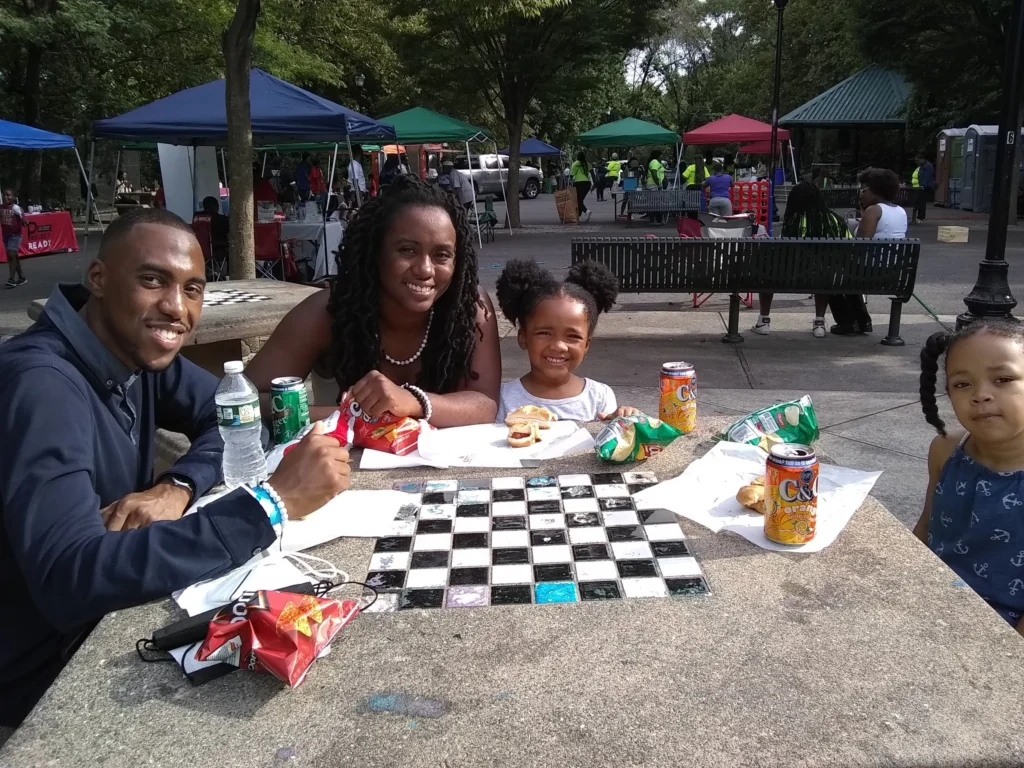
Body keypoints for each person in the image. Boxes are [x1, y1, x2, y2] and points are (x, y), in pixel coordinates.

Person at [0, 207, 352, 727]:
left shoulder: (128, 350)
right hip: (41, 680)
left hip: (104, 628)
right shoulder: (42, 386)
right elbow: (69, 577)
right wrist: (269, 506)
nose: (176, 308)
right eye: (152, 280)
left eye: (193, 289)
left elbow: (238, 416)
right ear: (97, 279)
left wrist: (178, 485)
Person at [244, 175, 501, 426]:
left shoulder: (470, 309)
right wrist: (350, 414)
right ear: (376, 252)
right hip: (339, 466)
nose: (425, 269)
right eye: (407, 250)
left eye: (441, 255)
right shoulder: (327, 312)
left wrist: (413, 401)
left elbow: (484, 404)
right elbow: (244, 401)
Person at [915, 321, 1024, 636]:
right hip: (928, 607)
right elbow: (925, 530)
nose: (981, 395)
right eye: (963, 384)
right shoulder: (946, 449)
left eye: (1003, 379)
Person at [494, 260, 639, 422]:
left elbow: (611, 443)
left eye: (573, 336)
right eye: (544, 333)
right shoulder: (503, 400)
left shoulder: (599, 397)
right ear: (523, 338)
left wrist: (622, 419)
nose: (558, 346)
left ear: (586, 345)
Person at [752, 181, 850, 339]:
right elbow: (847, 246)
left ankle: (764, 321)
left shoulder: (796, 220)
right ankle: (819, 323)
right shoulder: (835, 220)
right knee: (823, 271)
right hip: (827, 276)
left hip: (793, 275)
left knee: (767, 271)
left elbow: (784, 251)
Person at [830, 168, 909, 335]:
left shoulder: (874, 211)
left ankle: (848, 322)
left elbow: (859, 246)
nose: (861, 194)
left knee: (830, 276)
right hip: (894, 271)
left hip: (873, 272)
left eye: (864, 190)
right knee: (847, 274)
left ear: (875, 190)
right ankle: (861, 321)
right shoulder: (900, 211)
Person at [1, 188, 26, 288]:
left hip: (15, 236)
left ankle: (11, 279)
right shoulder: (1, 207)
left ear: (14, 197)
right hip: (6, 235)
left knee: (11, 255)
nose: (6, 197)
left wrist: (24, 221)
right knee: (14, 256)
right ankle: (22, 278)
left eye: (8, 195)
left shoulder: (16, 208)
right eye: (4, 195)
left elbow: (24, 221)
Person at [912, 153, 936, 224]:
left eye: (918, 160)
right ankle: (919, 217)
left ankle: (920, 217)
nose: (917, 162)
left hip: (925, 186)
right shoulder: (923, 166)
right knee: (920, 201)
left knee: (921, 202)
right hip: (921, 186)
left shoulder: (927, 166)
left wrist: (923, 186)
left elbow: (927, 177)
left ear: (922, 159)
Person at [570, 152, 591, 223]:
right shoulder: (587, 163)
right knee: (580, 200)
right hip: (587, 184)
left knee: (578, 200)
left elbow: (571, 175)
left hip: (579, 183)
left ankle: (586, 211)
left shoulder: (575, 164)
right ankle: (578, 215)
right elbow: (593, 173)